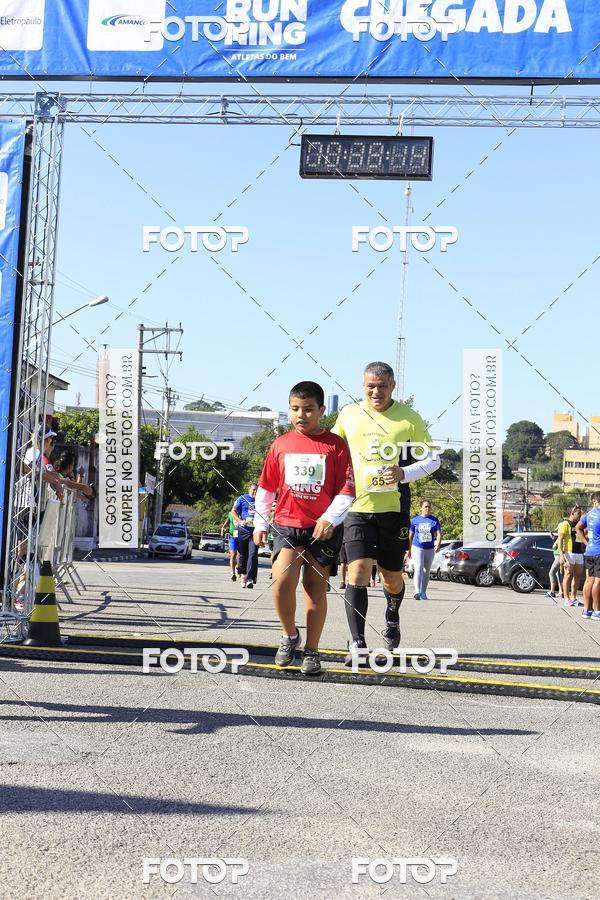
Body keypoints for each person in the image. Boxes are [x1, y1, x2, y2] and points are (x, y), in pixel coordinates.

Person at [332, 361, 440, 662]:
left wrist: (404, 473)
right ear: (362, 386)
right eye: (370, 386)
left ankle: (392, 616)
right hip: (357, 508)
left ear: (392, 386)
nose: (375, 392)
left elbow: (434, 460)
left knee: (392, 578)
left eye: (382, 386)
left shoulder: (409, 418)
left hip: (393, 510)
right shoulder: (349, 415)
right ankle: (357, 642)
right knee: (358, 571)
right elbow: (332, 453)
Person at [253, 381, 355, 676]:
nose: (301, 415)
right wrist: (261, 522)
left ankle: (312, 650)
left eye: (308, 409)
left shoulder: (335, 446)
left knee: (314, 587)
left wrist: (329, 519)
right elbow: (266, 488)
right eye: (295, 409)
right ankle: (289, 636)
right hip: (287, 523)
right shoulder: (281, 444)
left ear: (322, 410)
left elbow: (347, 491)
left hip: (323, 528)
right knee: (281, 581)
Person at [408, 500, 442, 600]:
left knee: (427, 570)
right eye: (426, 507)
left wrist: (438, 544)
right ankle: (417, 591)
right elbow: (410, 535)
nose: (427, 509)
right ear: (421, 508)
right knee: (418, 567)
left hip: (429, 548)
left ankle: (423, 592)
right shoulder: (415, 520)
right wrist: (408, 549)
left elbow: (439, 534)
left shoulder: (434, 520)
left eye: (429, 507)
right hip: (417, 547)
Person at [576, 492, 600, 619]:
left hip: (589, 551)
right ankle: (597, 610)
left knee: (589, 580)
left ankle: (586, 610)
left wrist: (586, 543)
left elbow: (577, 527)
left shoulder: (589, 514)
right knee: (598, 581)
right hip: (599, 552)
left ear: (594, 501)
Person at [232, 482, 258, 589]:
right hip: (243, 530)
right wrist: (240, 521)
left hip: (255, 531)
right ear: (249, 489)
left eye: (257, 490)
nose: (255, 492)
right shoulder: (242, 498)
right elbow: (233, 512)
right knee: (243, 555)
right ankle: (243, 574)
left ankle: (250, 578)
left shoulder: (260, 500)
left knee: (253, 553)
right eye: (253, 490)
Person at [557, 505, 584, 606]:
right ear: (572, 513)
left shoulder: (580, 525)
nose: (580, 515)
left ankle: (574, 597)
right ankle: (566, 598)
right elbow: (559, 540)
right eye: (578, 513)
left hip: (580, 552)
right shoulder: (565, 523)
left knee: (577, 576)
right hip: (569, 552)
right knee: (568, 575)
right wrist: (561, 556)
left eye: (580, 513)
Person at [221, 511, 239, 581]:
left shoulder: (243, 513)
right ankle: (233, 573)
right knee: (233, 554)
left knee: (240, 556)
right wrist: (223, 527)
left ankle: (238, 567)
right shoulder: (230, 513)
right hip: (232, 537)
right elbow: (227, 521)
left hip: (241, 537)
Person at [545, 532, 563, 601]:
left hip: (558, 556)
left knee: (551, 573)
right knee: (559, 574)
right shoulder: (559, 537)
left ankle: (552, 591)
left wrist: (555, 540)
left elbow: (554, 546)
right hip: (557, 556)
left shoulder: (561, 537)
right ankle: (561, 592)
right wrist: (553, 538)